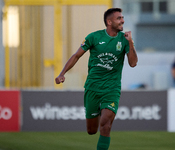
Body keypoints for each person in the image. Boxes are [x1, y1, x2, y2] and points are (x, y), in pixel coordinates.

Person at [55, 8, 138, 150]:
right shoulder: (94, 37)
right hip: (92, 87)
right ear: (109, 21)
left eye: (122, 18)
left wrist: (130, 43)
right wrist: (62, 73)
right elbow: (76, 56)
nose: (122, 20)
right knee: (92, 130)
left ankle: (105, 110)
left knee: (105, 125)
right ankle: (99, 110)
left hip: (111, 89)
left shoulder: (124, 40)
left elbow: (133, 63)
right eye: (119, 18)